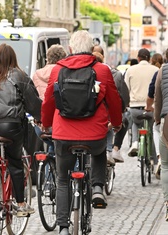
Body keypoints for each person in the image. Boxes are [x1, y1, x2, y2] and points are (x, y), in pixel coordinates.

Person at [41, 30, 122, 235]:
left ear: (70, 49)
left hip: (64, 134)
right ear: (91, 49)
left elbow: (49, 101)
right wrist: (117, 123)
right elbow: (114, 100)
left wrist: (46, 124)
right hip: (94, 133)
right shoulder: (102, 70)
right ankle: (96, 188)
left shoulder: (57, 70)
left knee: (62, 179)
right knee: (98, 152)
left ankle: (63, 227)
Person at [0, 43, 42, 216]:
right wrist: (40, 117)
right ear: (13, 58)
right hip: (11, 127)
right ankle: (21, 204)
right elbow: (32, 103)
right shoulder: (19, 76)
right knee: (14, 162)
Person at [93, 46, 129, 164]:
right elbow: (118, 97)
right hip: (105, 115)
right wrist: (117, 119)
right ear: (103, 57)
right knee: (120, 122)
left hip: (82, 118)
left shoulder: (82, 71)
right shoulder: (113, 73)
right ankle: (113, 149)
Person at [125, 48, 159, 157]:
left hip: (135, 107)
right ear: (149, 59)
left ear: (138, 58)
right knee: (153, 130)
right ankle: (154, 160)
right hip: (151, 108)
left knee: (135, 123)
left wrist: (127, 103)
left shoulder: (131, 70)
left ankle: (135, 142)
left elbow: (126, 89)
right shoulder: (155, 70)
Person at [153, 57, 168, 222]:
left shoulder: (162, 70)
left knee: (165, 165)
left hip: (167, 123)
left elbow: (157, 97)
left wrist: (157, 120)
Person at [147, 52, 165, 179]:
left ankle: (159, 157)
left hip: (165, 114)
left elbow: (156, 97)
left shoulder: (160, 72)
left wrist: (157, 117)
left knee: (156, 128)